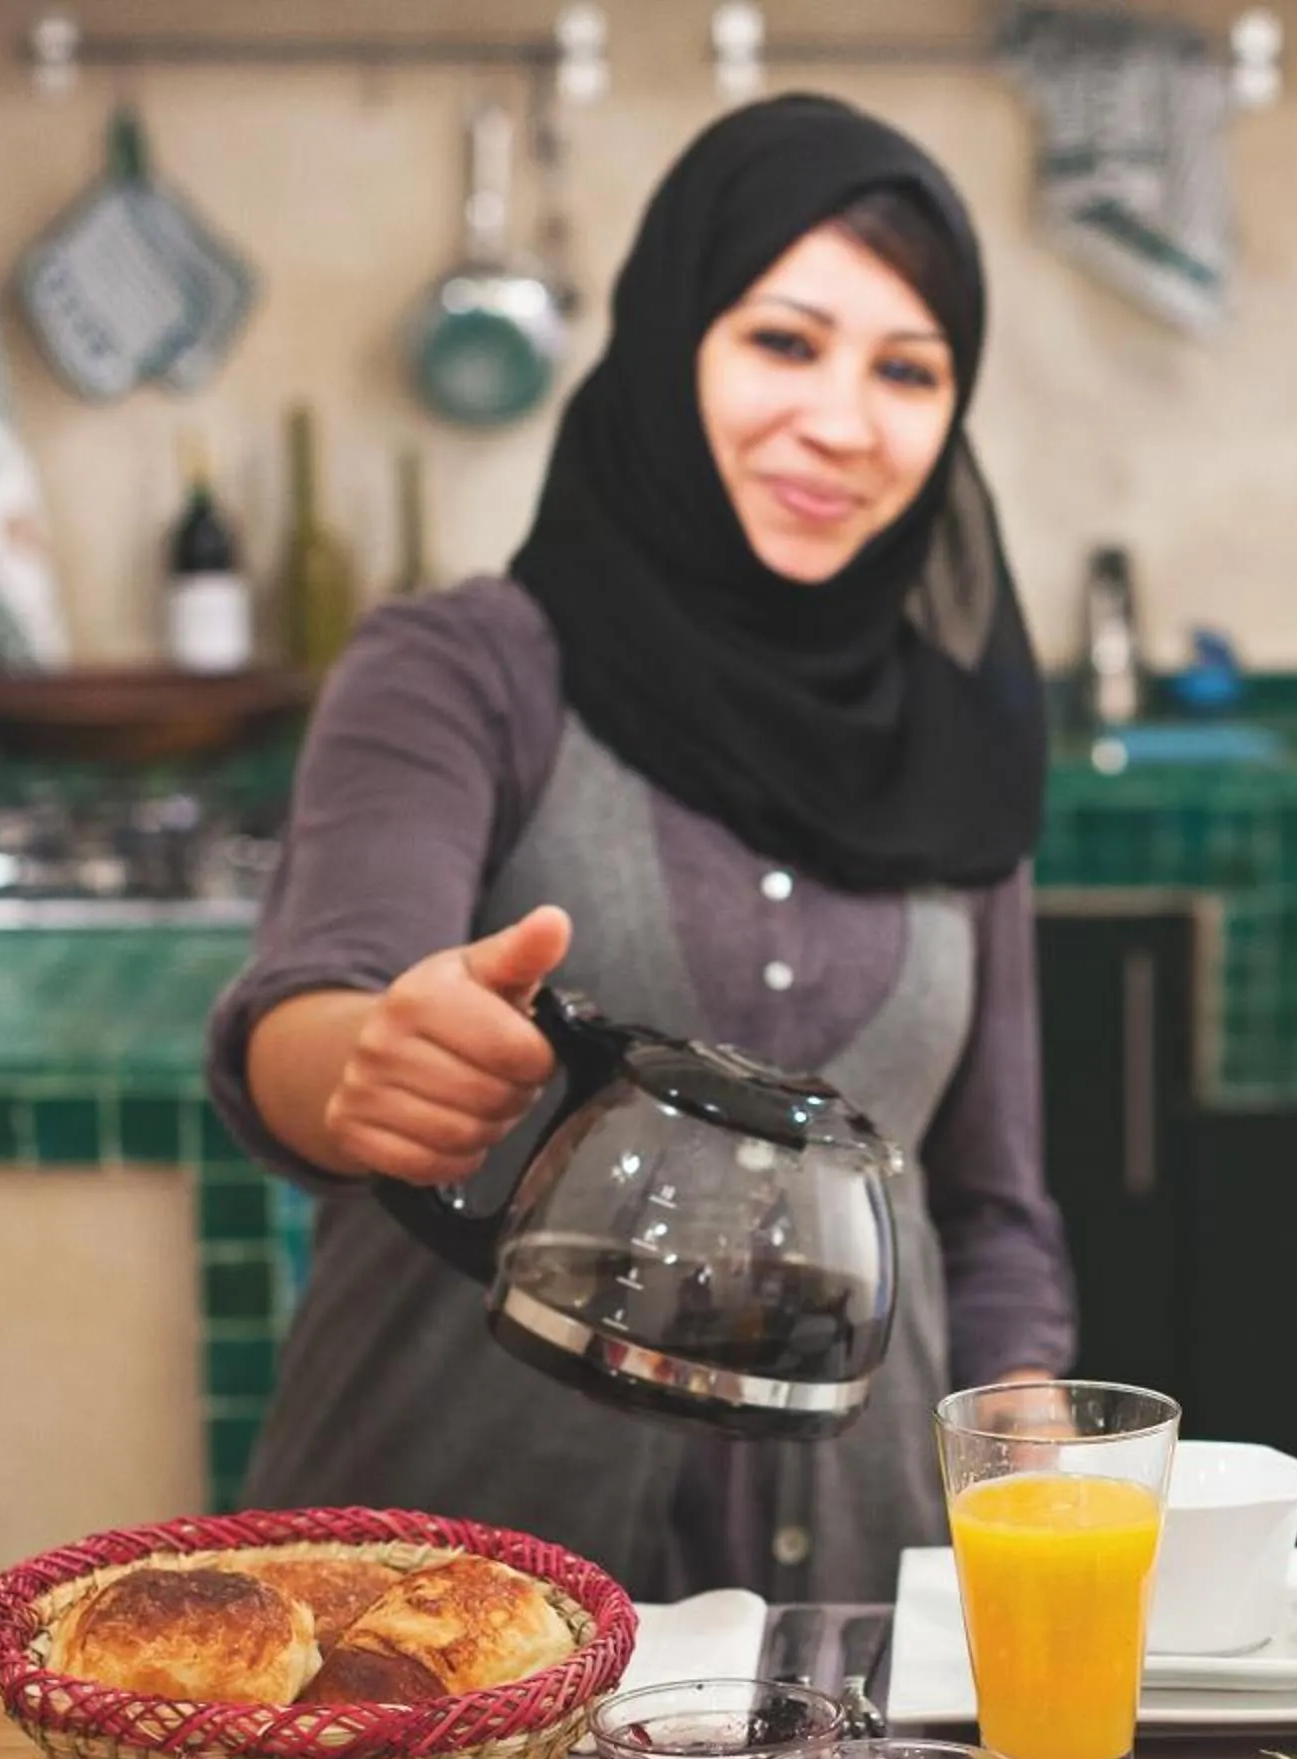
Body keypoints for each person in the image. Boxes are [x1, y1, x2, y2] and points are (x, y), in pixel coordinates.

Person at [206, 96, 1075, 1612]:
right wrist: (369, 1061)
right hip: (433, 1608)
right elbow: (306, 1013)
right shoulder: (462, 669)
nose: (846, 423)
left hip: (858, 1625)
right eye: (784, 342)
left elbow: (990, 1208)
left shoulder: (959, 746)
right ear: (675, 338)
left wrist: (1036, 1470)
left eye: (909, 371)